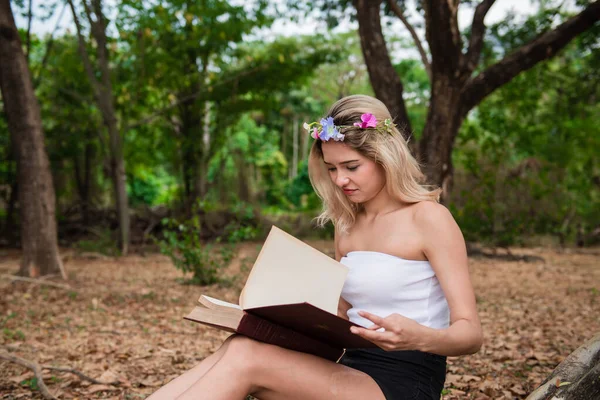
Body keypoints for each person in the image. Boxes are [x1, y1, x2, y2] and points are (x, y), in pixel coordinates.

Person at [147, 94, 482, 400]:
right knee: (242, 345)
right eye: (331, 169)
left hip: (404, 381)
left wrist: (419, 337)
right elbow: (340, 315)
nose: (340, 180)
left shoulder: (429, 219)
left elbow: (470, 334)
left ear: (385, 158)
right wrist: (277, 318)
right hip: (348, 367)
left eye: (351, 167)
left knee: (247, 360)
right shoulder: (348, 225)